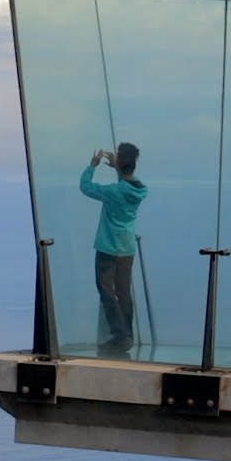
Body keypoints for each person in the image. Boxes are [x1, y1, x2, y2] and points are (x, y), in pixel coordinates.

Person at [80, 141, 149, 356]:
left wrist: (92, 165)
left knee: (106, 291)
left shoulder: (112, 192)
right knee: (123, 292)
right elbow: (127, 186)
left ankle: (119, 336)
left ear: (120, 162)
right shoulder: (140, 190)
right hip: (127, 249)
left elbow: (86, 187)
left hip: (108, 248)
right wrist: (118, 168)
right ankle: (127, 334)